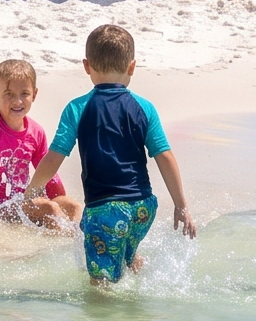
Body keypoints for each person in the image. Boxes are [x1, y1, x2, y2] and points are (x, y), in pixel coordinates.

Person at [21, 24, 198, 283]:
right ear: (131, 67)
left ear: (87, 66)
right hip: (143, 208)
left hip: (105, 210)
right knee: (126, 254)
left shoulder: (77, 108)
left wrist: (33, 189)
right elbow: (165, 156)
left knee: (101, 286)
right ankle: (141, 296)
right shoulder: (144, 107)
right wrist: (181, 207)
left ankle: (109, 319)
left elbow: (55, 156)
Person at [0, 58, 79, 230]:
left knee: (72, 206)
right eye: (9, 94)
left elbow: (48, 172)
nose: (17, 101)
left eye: (24, 93)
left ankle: (75, 247)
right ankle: (53, 250)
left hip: (23, 202)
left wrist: (59, 201)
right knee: (50, 208)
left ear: (34, 94)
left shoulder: (36, 132)